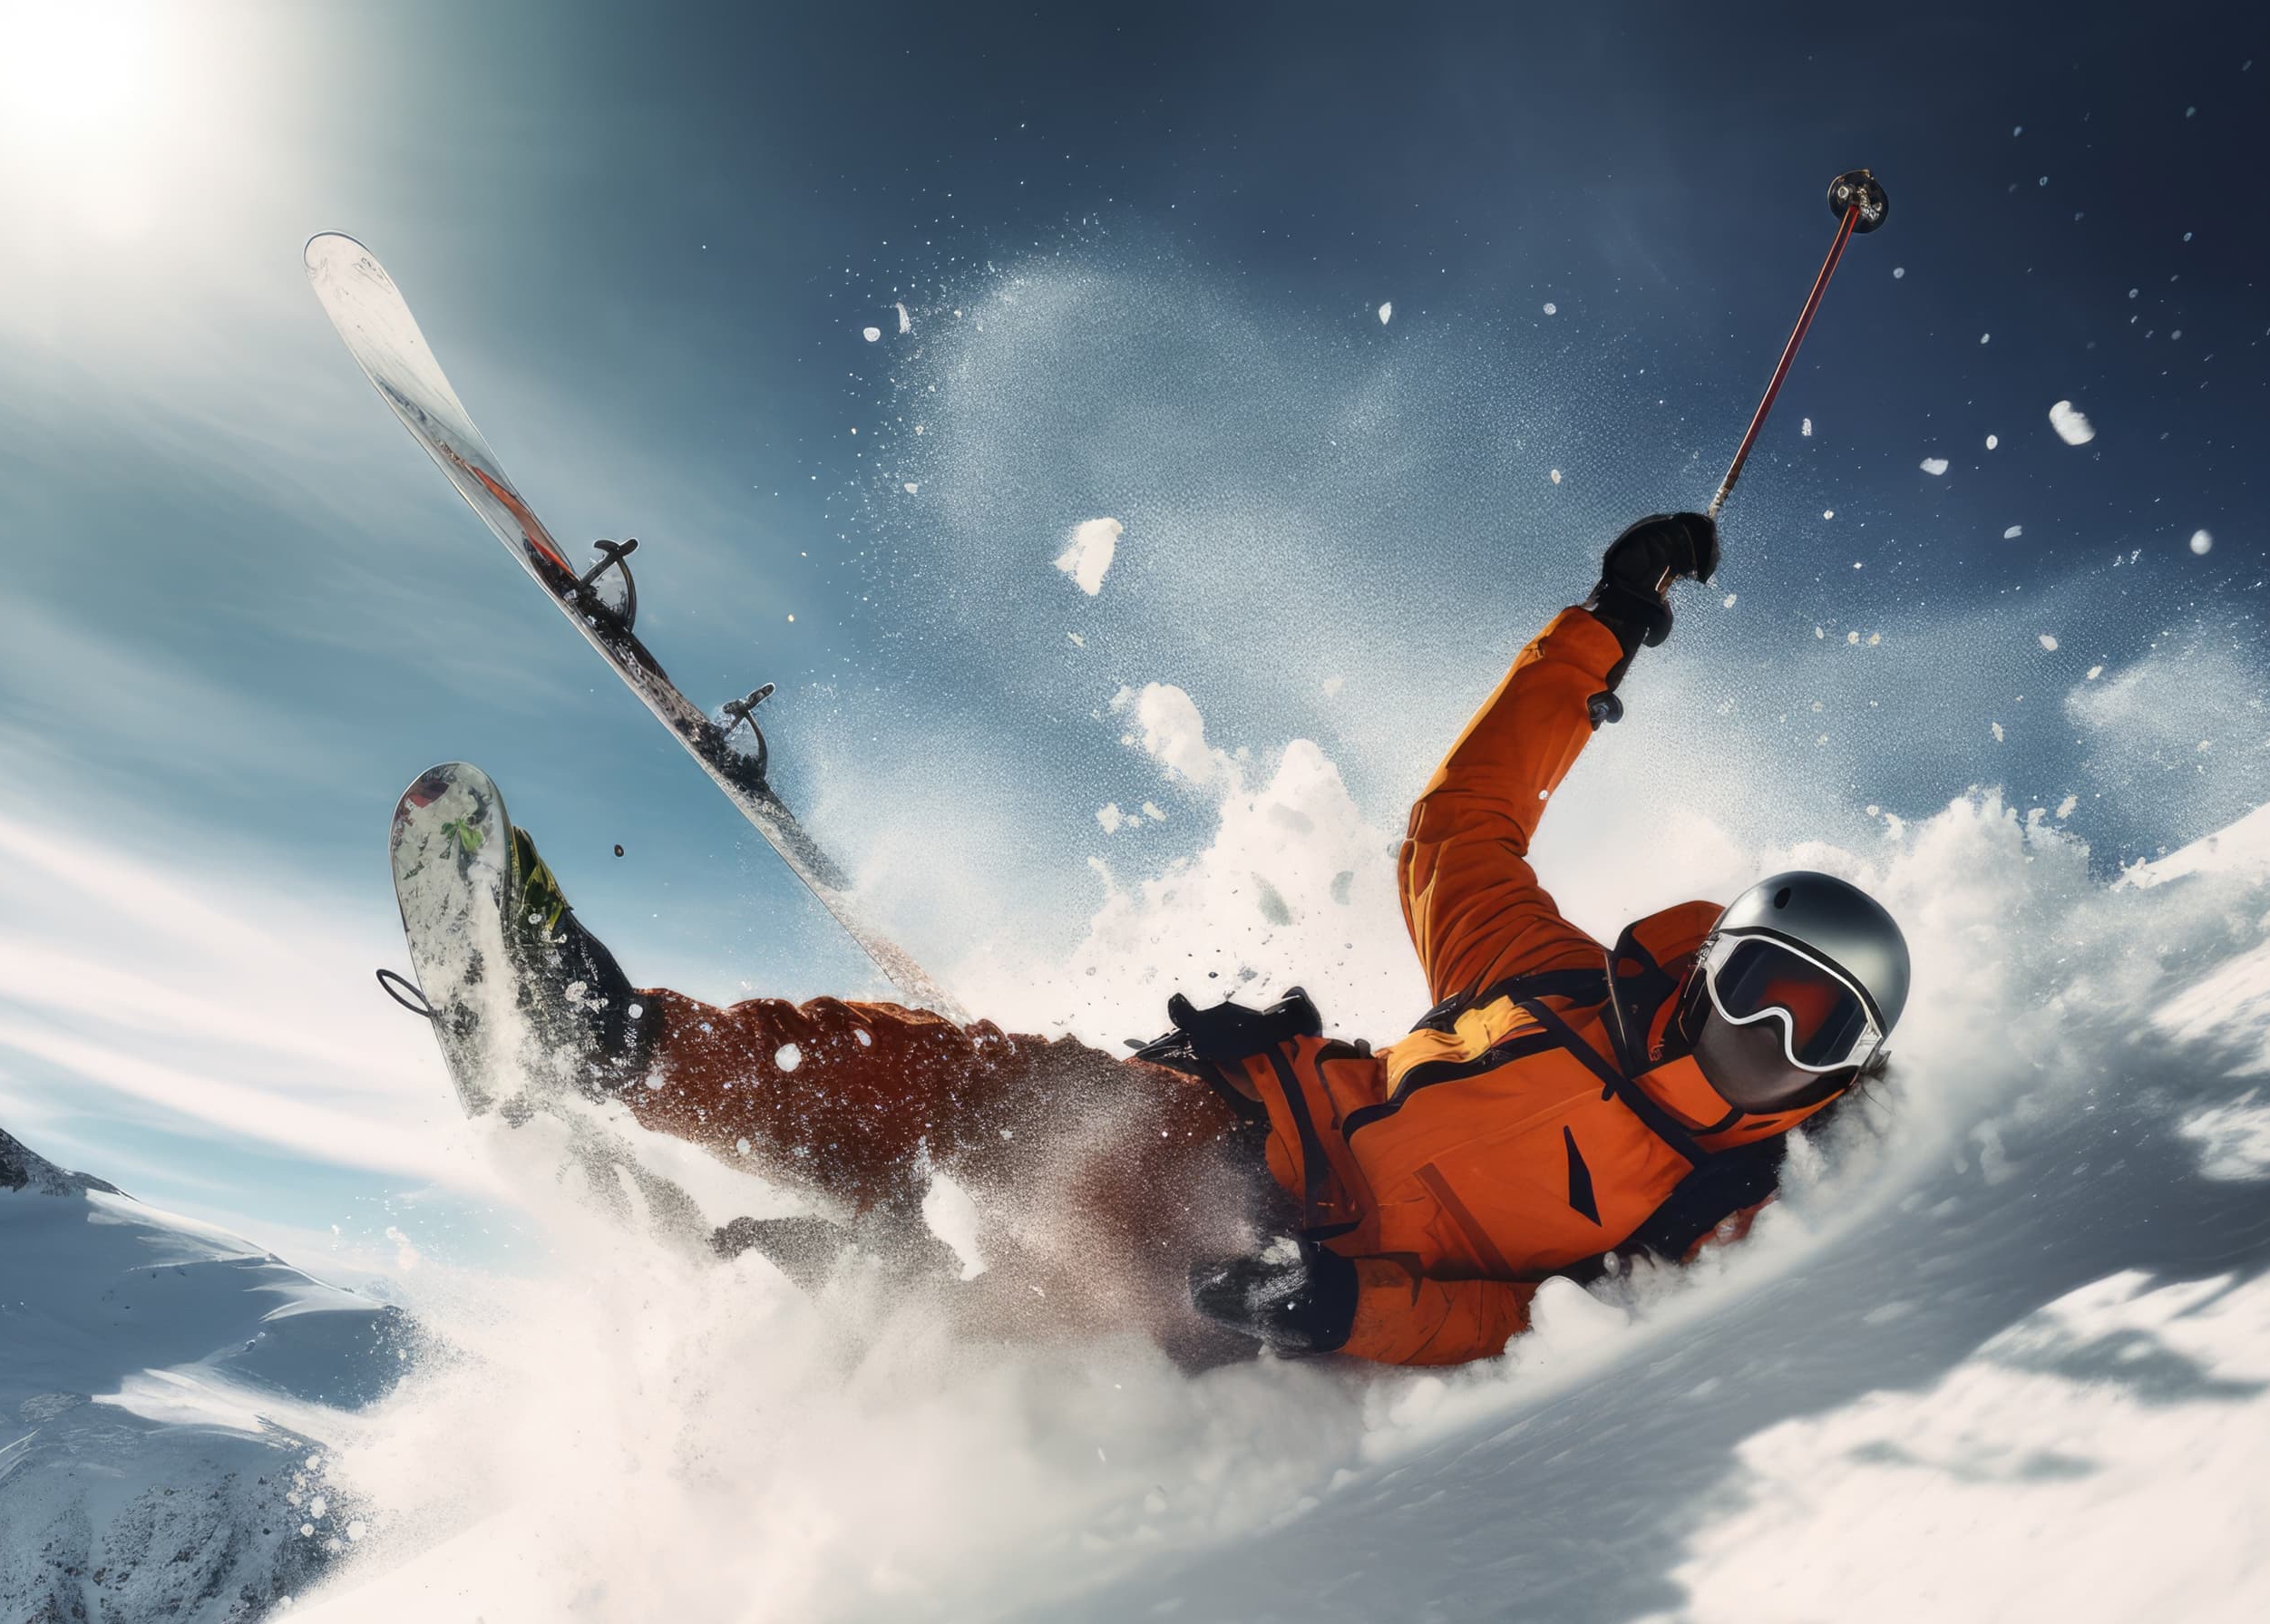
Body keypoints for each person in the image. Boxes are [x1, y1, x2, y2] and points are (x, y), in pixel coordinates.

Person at [499, 512, 1911, 1366]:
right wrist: (1598, 633)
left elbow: (1534, 1322)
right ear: (1706, 965)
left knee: (996, 1320)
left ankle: (744, 1283)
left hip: (1264, 1277)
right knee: (999, 1099)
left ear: (1844, 1070)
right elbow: (1459, 825)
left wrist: (1341, 1307)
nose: (1763, 1044)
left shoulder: (1701, 1201)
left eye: (1814, 1032)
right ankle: (627, 1047)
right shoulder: (1556, 986)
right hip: (1228, 1122)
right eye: (1757, 990)